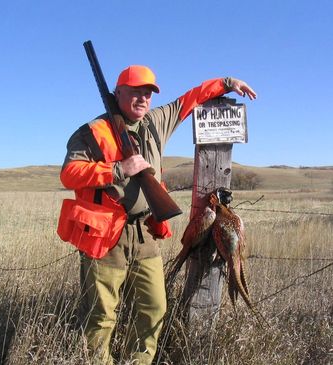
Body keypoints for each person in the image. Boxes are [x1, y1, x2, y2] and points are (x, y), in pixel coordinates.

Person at [58, 65, 256, 364]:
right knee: (101, 316)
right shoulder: (92, 133)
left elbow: (188, 101)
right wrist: (118, 169)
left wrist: (227, 83)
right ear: (118, 93)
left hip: (144, 233)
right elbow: (70, 174)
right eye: (136, 91)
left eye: (148, 93)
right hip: (105, 236)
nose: (143, 98)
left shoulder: (155, 121)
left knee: (154, 308)